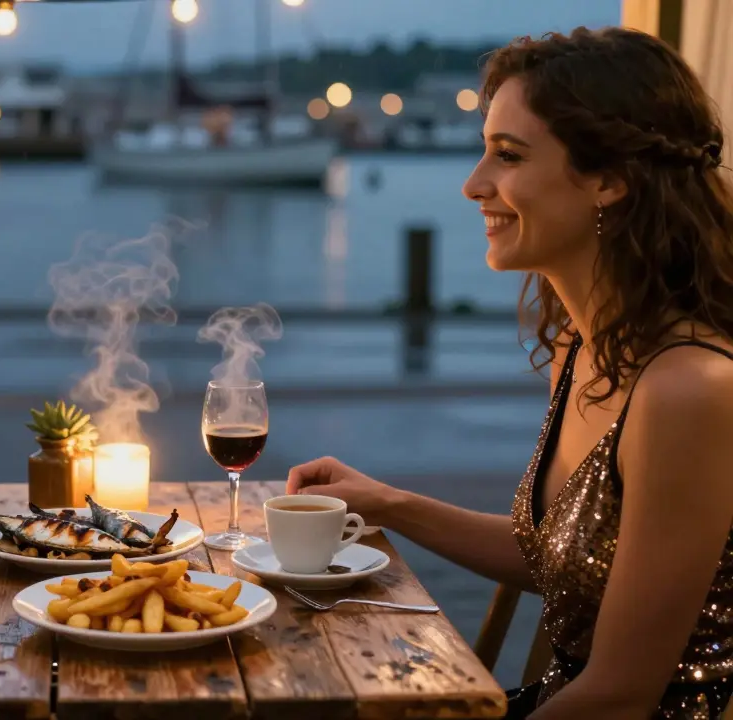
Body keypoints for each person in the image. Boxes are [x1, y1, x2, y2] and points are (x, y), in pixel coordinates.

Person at [288, 27, 733, 718]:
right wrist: (387, 503)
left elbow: (620, 695)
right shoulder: (583, 351)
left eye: (509, 155)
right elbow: (567, 562)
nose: (474, 184)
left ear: (611, 180)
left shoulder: (688, 390)